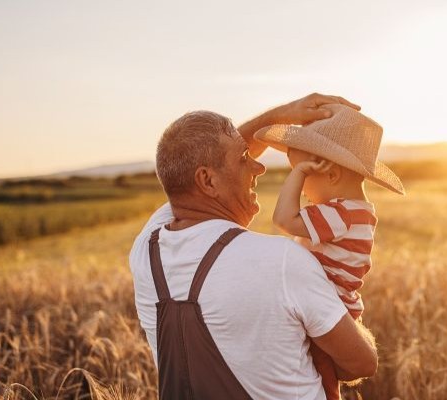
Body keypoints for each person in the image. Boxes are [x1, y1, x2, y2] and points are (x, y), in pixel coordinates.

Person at [128, 94, 378, 399]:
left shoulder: (146, 248)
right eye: (244, 158)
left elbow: (185, 180)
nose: (258, 167)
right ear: (207, 182)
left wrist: (280, 117)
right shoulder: (284, 262)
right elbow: (360, 363)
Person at [253, 104, 404, 399]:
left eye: (303, 175)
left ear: (331, 175)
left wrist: (295, 177)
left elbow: (283, 219)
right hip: (339, 304)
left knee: (321, 375)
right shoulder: (358, 212)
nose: (303, 190)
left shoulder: (340, 214)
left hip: (329, 307)